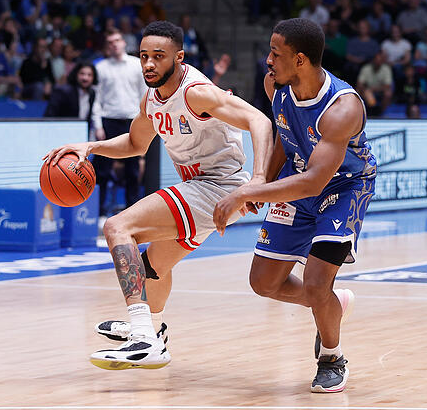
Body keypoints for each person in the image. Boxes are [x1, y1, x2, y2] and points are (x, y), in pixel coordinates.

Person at [43, 21, 272, 370]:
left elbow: (260, 122)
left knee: (118, 227)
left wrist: (257, 180)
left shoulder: (197, 93)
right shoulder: (152, 98)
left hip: (218, 187)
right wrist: (91, 146)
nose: (149, 64)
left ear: (178, 58)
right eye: (144, 56)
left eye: (158, 57)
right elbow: (136, 144)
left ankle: (141, 337)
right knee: (152, 269)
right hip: (202, 191)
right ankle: (154, 334)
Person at [213, 18, 377, 393]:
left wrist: (246, 193)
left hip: (343, 188)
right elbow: (287, 136)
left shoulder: (343, 107)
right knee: (263, 282)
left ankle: (332, 356)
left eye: (276, 53)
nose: (267, 60)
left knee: (318, 281)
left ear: (300, 60)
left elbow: (316, 180)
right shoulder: (277, 87)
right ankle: (330, 307)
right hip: (297, 181)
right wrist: (264, 181)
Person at [91, 28, 149, 216]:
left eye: (117, 40)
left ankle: (132, 212)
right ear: (107, 46)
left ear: (124, 42)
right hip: (109, 120)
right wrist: (98, 125)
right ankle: (99, 212)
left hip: (133, 120)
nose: (114, 44)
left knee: (133, 170)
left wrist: (146, 122)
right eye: (110, 42)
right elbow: (96, 99)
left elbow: (144, 95)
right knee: (102, 170)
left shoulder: (136, 65)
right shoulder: (100, 68)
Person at [44, 62, 97, 137]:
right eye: (82, 74)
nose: (85, 78)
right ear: (76, 74)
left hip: (80, 134)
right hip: (60, 133)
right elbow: (49, 116)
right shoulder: (63, 91)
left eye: (89, 75)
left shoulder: (92, 93)